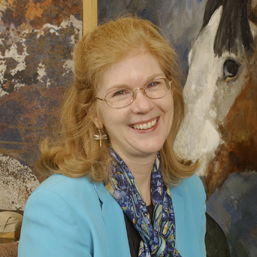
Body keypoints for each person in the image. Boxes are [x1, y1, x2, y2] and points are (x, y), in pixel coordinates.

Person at [18, 16, 206, 257]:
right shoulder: (57, 206)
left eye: (153, 84)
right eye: (120, 92)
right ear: (95, 114)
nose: (143, 105)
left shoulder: (190, 191)